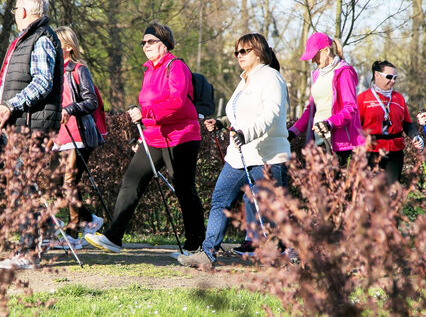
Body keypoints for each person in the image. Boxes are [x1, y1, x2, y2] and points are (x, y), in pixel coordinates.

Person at [85, 21, 205, 253]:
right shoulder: (149, 70)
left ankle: (196, 245)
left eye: (151, 41)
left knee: (184, 189)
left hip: (181, 137)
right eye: (143, 42)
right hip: (153, 137)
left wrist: (146, 114)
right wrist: (144, 126)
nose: (146, 45)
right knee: (130, 182)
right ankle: (113, 238)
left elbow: (177, 102)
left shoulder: (176, 66)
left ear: (165, 44)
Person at [177, 33, 290, 268]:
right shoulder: (244, 79)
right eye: (236, 52)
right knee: (220, 200)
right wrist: (222, 123)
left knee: (270, 209)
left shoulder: (270, 77)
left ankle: (286, 254)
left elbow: (270, 115)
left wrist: (245, 133)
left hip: (266, 155)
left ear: (258, 52)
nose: (239, 56)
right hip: (239, 156)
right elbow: (240, 113)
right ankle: (207, 253)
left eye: (244, 51)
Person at [0, 0, 64, 270]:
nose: (13, 13)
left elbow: (42, 83)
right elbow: (12, 83)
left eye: (15, 9)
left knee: (20, 187)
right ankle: (45, 230)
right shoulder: (24, 40)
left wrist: (9, 106)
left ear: (23, 12)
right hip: (18, 125)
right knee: (11, 183)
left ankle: (27, 252)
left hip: (32, 126)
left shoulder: (42, 39)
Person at [50, 26, 104, 250]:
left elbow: (91, 102)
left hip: (79, 133)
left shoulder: (79, 69)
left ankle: (72, 234)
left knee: (70, 182)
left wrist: (70, 109)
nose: (52, 47)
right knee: (56, 184)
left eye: (57, 44)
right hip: (59, 135)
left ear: (69, 47)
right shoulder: (51, 72)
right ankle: (91, 219)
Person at [288, 32, 364, 164]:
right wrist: (293, 131)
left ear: (326, 51)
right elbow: (310, 109)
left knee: (329, 183)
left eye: (315, 56)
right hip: (318, 140)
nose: (313, 61)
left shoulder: (344, 72)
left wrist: (330, 123)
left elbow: (351, 107)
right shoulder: (317, 75)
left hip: (338, 143)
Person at [357, 61, 424, 183]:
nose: (393, 81)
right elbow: (356, 128)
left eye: (395, 78)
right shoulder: (362, 99)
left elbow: (407, 123)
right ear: (376, 75)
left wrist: (415, 137)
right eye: (389, 77)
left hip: (395, 152)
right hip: (371, 152)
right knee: (373, 193)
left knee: (392, 193)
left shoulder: (398, 98)